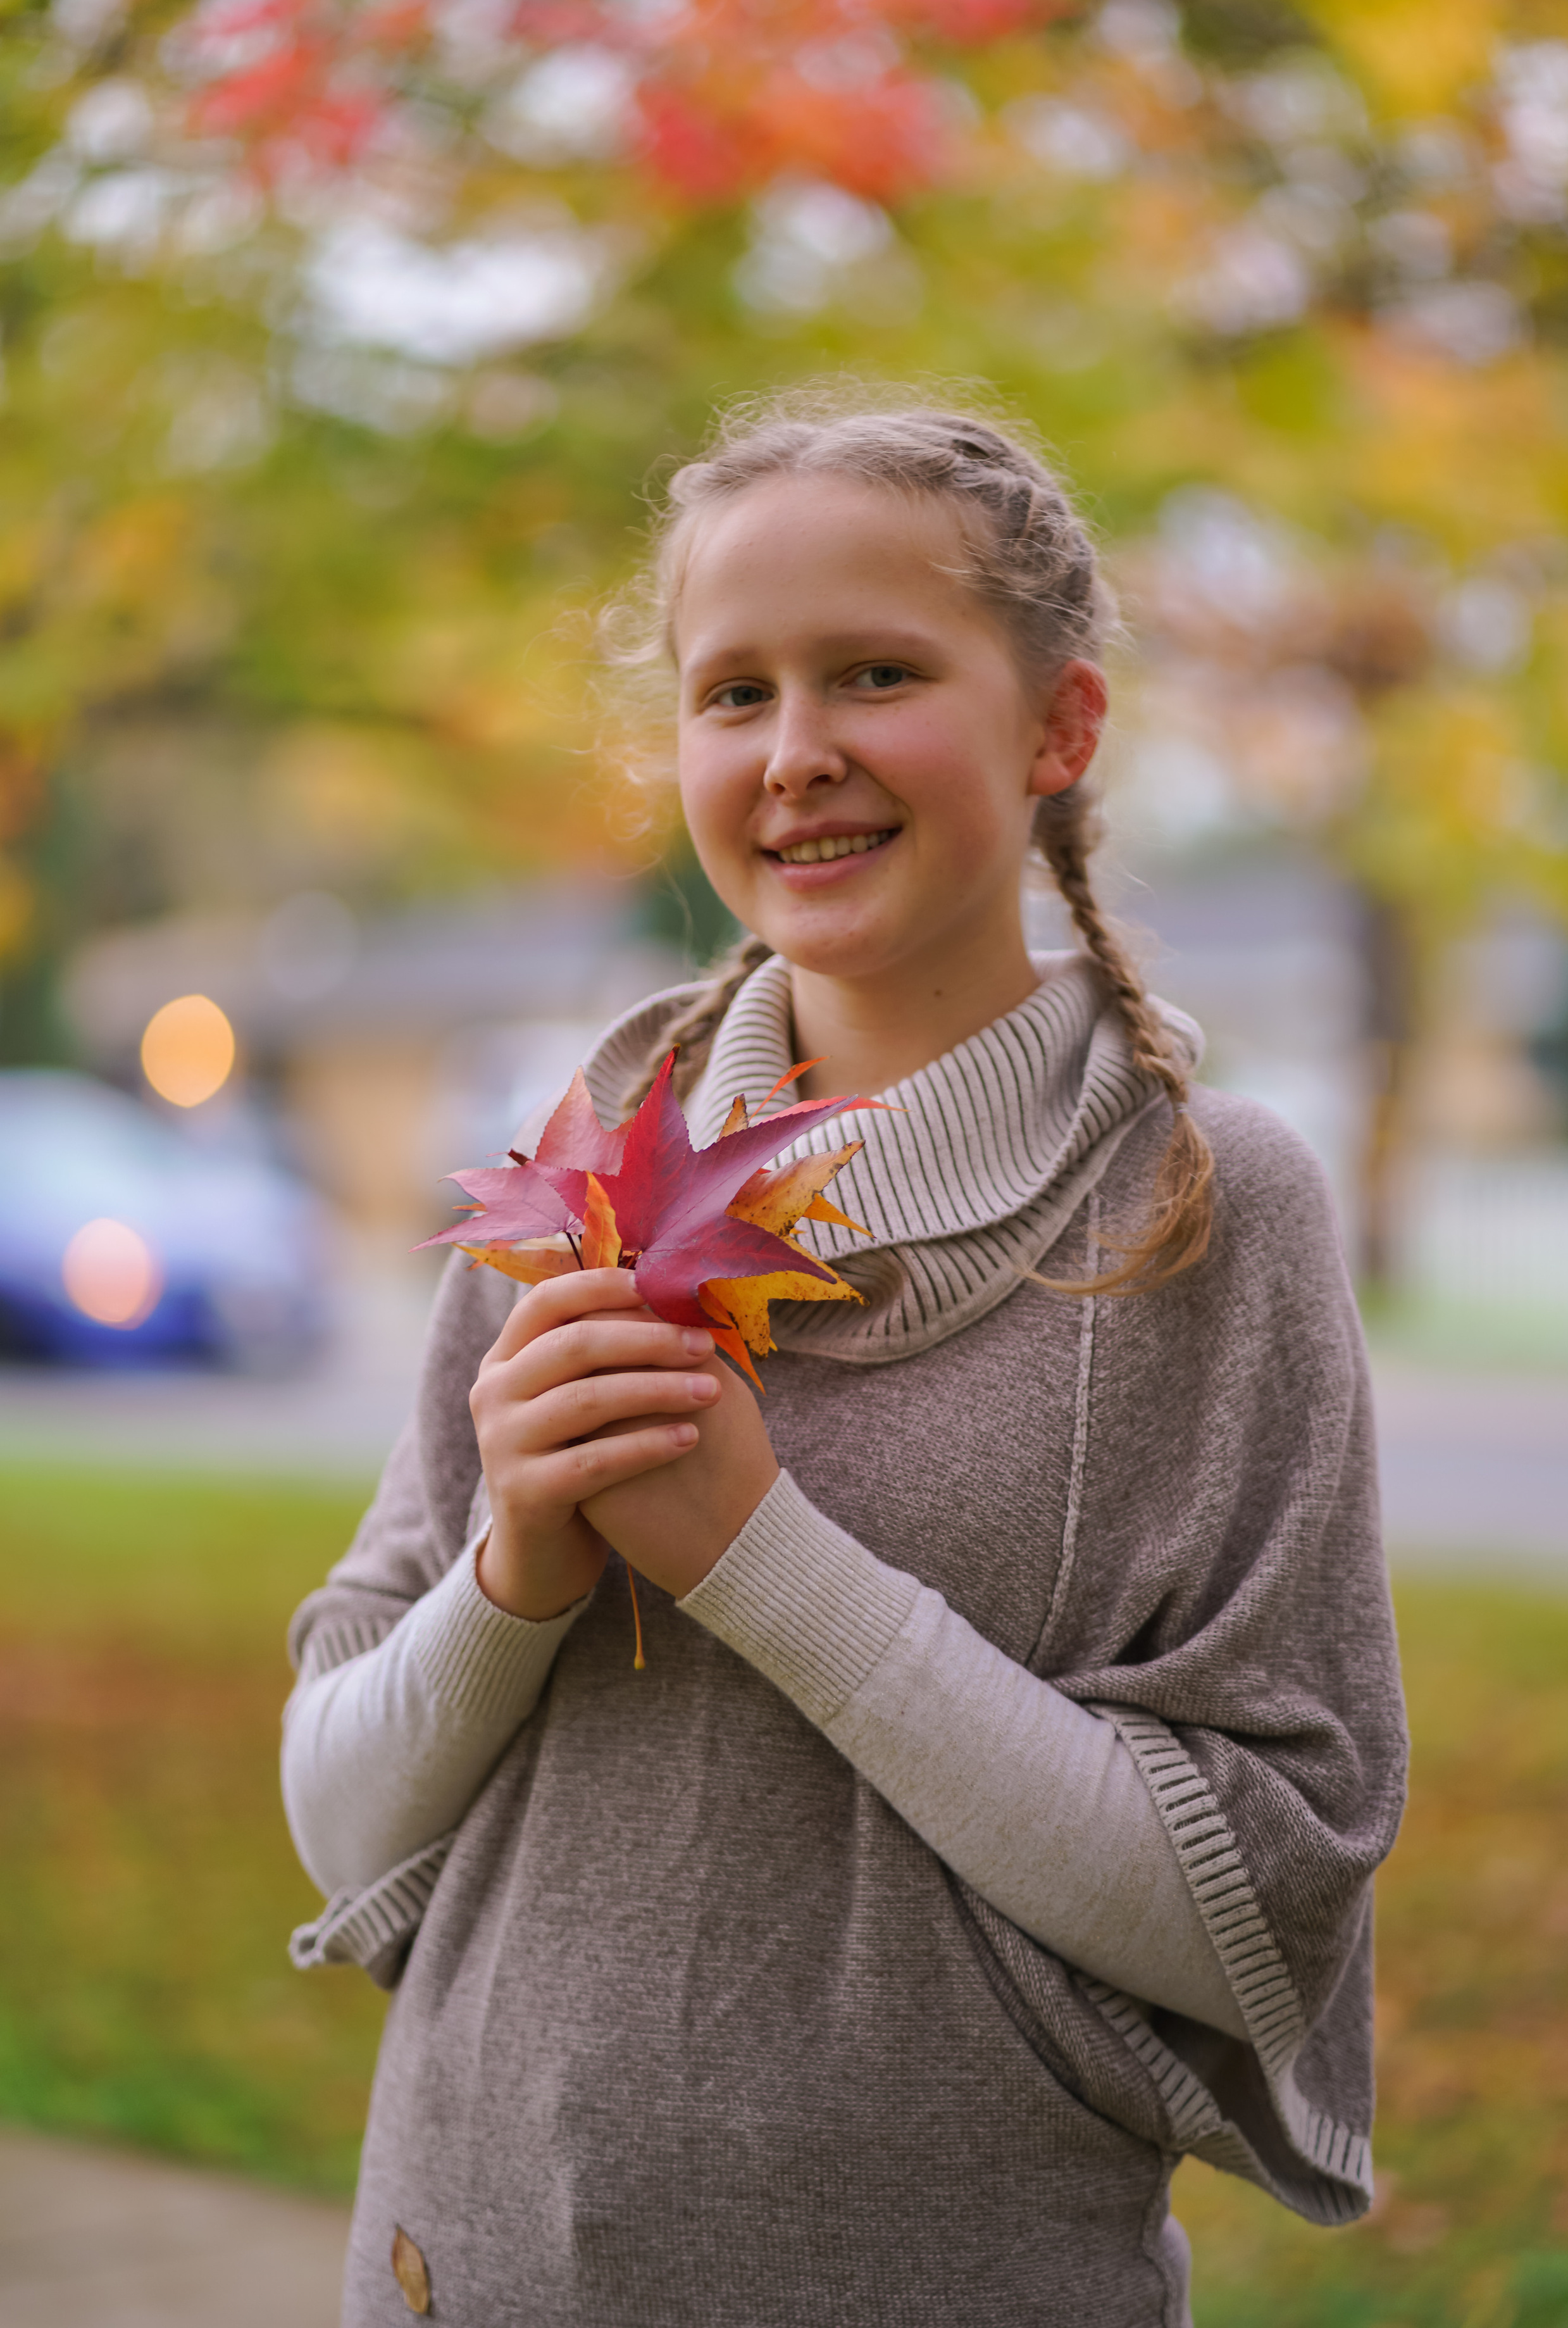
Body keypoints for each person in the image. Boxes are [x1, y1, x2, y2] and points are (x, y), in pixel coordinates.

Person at [283, 393, 1407, 2328]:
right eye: (734, 695)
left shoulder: (1209, 1212)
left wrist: (755, 1561)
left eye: (874, 674)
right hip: (458, 2263)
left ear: (1058, 726)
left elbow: (1255, 1912)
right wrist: (514, 1579)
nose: (797, 756)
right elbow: (337, 1814)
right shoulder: (588, 1156)